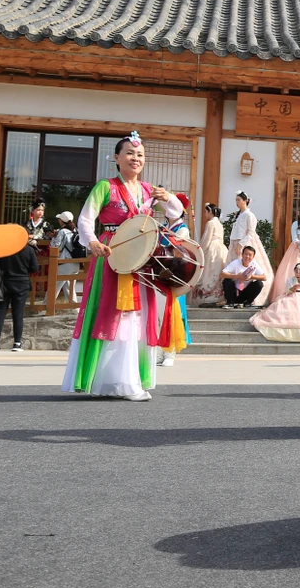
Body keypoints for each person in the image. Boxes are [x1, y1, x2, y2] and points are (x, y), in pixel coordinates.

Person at [61, 132, 184, 400]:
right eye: (129, 153)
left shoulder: (149, 190)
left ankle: (129, 380)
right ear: (116, 158)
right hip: (112, 254)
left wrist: (168, 197)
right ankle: (114, 381)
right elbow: (86, 219)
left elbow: (176, 213)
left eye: (140, 154)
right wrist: (92, 241)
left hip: (140, 258)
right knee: (113, 312)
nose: (135, 158)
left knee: (137, 315)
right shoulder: (106, 186)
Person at [158, 193, 195, 367]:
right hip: (159, 273)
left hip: (174, 276)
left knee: (172, 313)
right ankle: (159, 350)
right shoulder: (164, 227)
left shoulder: (182, 230)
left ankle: (170, 352)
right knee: (158, 314)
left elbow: (178, 252)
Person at [226, 191, 273, 307]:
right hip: (236, 243)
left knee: (248, 267)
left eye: (239, 200)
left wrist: (242, 244)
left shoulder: (249, 215)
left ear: (245, 201)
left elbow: (251, 231)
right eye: (236, 200)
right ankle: (233, 295)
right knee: (233, 269)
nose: (237, 202)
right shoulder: (239, 214)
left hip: (245, 243)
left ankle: (248, 296)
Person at [0, 236, 38, 351]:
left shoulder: (3, 249)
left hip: (4, 283)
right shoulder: (29, 250)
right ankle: (17, 343)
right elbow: (34, 268)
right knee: (18, 314)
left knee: (0, 313)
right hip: (22, 284)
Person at [192, 203, 228, 306]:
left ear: (210, 212)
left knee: (208, 271)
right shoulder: (219, 224)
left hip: (212, 248)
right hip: (221, 249)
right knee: (216, 271)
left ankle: (206, 298)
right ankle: (217, 296)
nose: (205, 214)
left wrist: (200, 251)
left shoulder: (211, 223)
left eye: (206, 211)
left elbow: (207, 239)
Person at [49, 211, 82, 304]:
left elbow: (55, 247)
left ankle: (46, 307)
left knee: (54, 286)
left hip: (65, 262)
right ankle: (74, 308)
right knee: (70, 287)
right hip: (76, 262)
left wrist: (53, 237)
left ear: (61, 221)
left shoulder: (62, 231)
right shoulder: (76, 230)